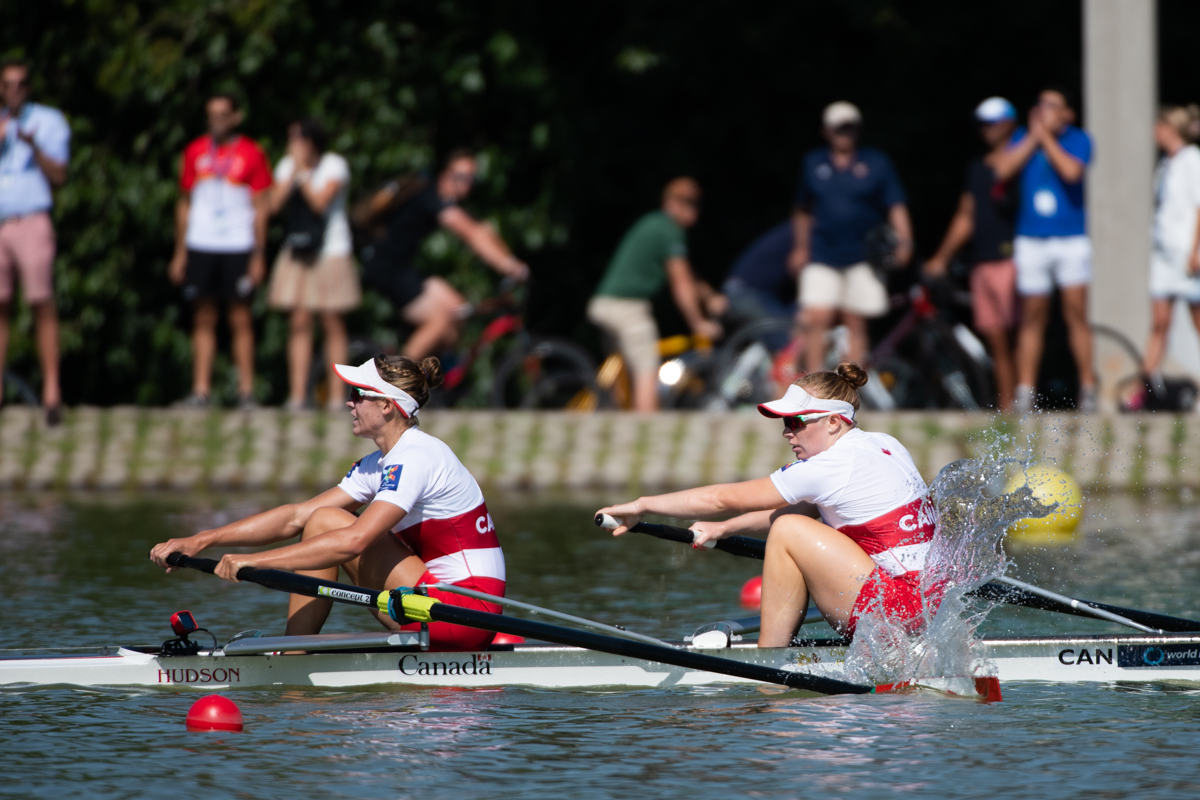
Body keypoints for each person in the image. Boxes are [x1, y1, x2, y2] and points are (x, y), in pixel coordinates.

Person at [149, 354, 506, 651]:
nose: (350, 402)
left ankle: (295, 652)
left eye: (358, 394)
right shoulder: (380, 463)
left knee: (330, 523)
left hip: (463, 613)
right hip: (428, 605)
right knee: (320, 518)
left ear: (386, 405)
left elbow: (355, 541)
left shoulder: (417, 456)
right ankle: (296, 649)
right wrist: (201, 539)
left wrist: (253, 562)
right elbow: (295, 517)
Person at [597, 363, 936, 646]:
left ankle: (770, 663)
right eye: (785, 423)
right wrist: (727, 527)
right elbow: (808, 508)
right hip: (930, 607)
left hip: (895, 613)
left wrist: (641, 505)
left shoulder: (827, 468)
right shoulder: (884, 443)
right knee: (796, 526)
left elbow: (721, 499)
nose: (788, 432)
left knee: (788, 532)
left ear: (834, 422)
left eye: (796, 422)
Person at [358, 150, 529, 361]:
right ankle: (396, 382)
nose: (467, 183)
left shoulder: (445, 200)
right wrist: (509, 266)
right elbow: (471, 234)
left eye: (471, 179)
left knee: (458, 308)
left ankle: (431, 375)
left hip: (400, 267)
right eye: (461, 177)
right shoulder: (433, 197)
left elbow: (483, 230)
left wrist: (510, 259)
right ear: (445, 174)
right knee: (439, 320)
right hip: (387, 267)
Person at [992, 87, 1096, 412]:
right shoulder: (1023, 137)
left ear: (1067, 114)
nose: (1043, 110)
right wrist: (1033, 139)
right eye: (1040, 104)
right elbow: (1003, 169)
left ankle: (1088, 387)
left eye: (1052, 105)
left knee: (1075, 312)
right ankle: (1026, 390)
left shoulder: (1079, 139)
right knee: (1032, 315)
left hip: (1070, 239)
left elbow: (1071, 171)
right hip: (1031, 239)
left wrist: (1046, 138)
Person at [789, 102, 913, 374]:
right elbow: (802, 210)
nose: (844, 134)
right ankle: (814, 387)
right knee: (815, 318)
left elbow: (896, 205)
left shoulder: (876, 163)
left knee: (855, 321)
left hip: (863, 256)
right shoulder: (814, 163)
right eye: (838, 128)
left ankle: (848, 393)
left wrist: (904, 241)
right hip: (822, 253)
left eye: (849, 127)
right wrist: (800, 247)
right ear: (826, 131)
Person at [169, 93, 271, 409]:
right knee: (202, 317)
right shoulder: (195, 151)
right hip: (201, 243)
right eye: (211, 114)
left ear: (236, 117)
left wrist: (258, 253)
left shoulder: (251, 153)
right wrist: (180, 251)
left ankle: (246, 392)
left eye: (223, 114)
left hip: (238, 245)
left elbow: (261, 207)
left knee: (240, 317)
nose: (216, 120)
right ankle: (201, 391)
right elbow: (184, 203)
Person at [587, 178, 725, 412]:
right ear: (671, 203)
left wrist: (710, 295)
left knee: (623, 378)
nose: (695, 210)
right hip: (626, 307)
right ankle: (647, 431)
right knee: (646, 370)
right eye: (689, 203)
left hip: (605, 304)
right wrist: (698, 323)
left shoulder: (656, 225)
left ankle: (614, 422)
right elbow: (681, 284)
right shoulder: (669, 230)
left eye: (696, 204)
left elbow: (687, 273)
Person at [924, 97, 1021, 411]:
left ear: (1010, 124)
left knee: (1016, 335)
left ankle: (1021, 404)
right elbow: (966, 214)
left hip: (1012, 257)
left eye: (994, 122)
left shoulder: (1025, 163)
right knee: (996, 340)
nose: (987, 129)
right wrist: (941, 257)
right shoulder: (978, 167)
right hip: (983, 260)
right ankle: (1006, 407)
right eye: (984, 123)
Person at [267, 119, 361, 410]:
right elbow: (273, 205)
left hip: (331, 250)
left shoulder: (334, 165)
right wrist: (293, 169)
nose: (291, 144)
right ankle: (297, 395)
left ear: (311, 141)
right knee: (299, 321)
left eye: (296, 138)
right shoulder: (287, 165)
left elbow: (320, 203)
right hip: (299, 252)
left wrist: (303, 173)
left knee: (332, 322)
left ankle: (336, 397)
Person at [0, 58, 69, 425]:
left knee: (41, 301)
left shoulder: (49, 121)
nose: (14, 91)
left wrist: (32, 145)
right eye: (7, 85)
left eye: (21, 84)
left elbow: (60, 175)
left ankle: (52, 391)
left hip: (32, 221)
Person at [1137, 105, 1200, 399]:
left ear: (1171, 129)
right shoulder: (1165, 164)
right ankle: (1146, 387)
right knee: (1159, 322)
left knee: (1197, 320)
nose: (1154, 133)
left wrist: (1195, 250)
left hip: (1186, 254)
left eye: (1159, 127)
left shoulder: (1192, 161)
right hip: (1163, 255)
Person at [722, 220, 798, 325]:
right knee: (790, 335)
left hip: (761, 293)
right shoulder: (804, 232)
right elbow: (798, 267)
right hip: (746, 291)